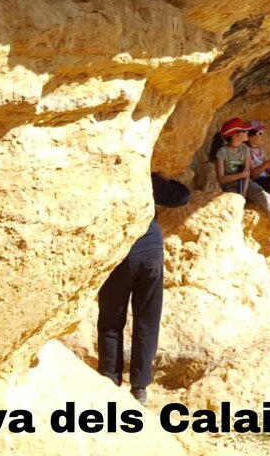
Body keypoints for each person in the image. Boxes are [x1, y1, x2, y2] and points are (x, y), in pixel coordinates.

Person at [97, 173, 190, 405]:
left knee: (111, 320)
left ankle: (109, 379)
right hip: (151, 249)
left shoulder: (102, 179)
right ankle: (140, 388)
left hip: (119, 252)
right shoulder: (143, 177)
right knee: (147, 320)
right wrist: (161, 178)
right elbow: (182, 196)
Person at [215, 118, 270, 239]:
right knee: (234, 205)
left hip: (247, 183)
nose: (247, 133)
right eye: (244, 131)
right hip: (229, 186)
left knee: (263, 195)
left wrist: (244, 194)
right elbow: (222, 180)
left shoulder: (245, 149)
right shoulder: (222, 152)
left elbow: (247, 175)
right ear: (235, 135)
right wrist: (241, 177)